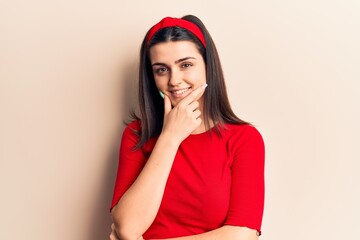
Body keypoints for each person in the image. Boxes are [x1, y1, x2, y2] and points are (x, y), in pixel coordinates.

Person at [109, 15, 265, 240]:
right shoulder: (136, 135)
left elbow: (242, 235)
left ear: (208, 66)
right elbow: (126, 228)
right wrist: (170, 137)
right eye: (162, 70)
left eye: (186, 65)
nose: (174, 80)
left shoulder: (244, 139)